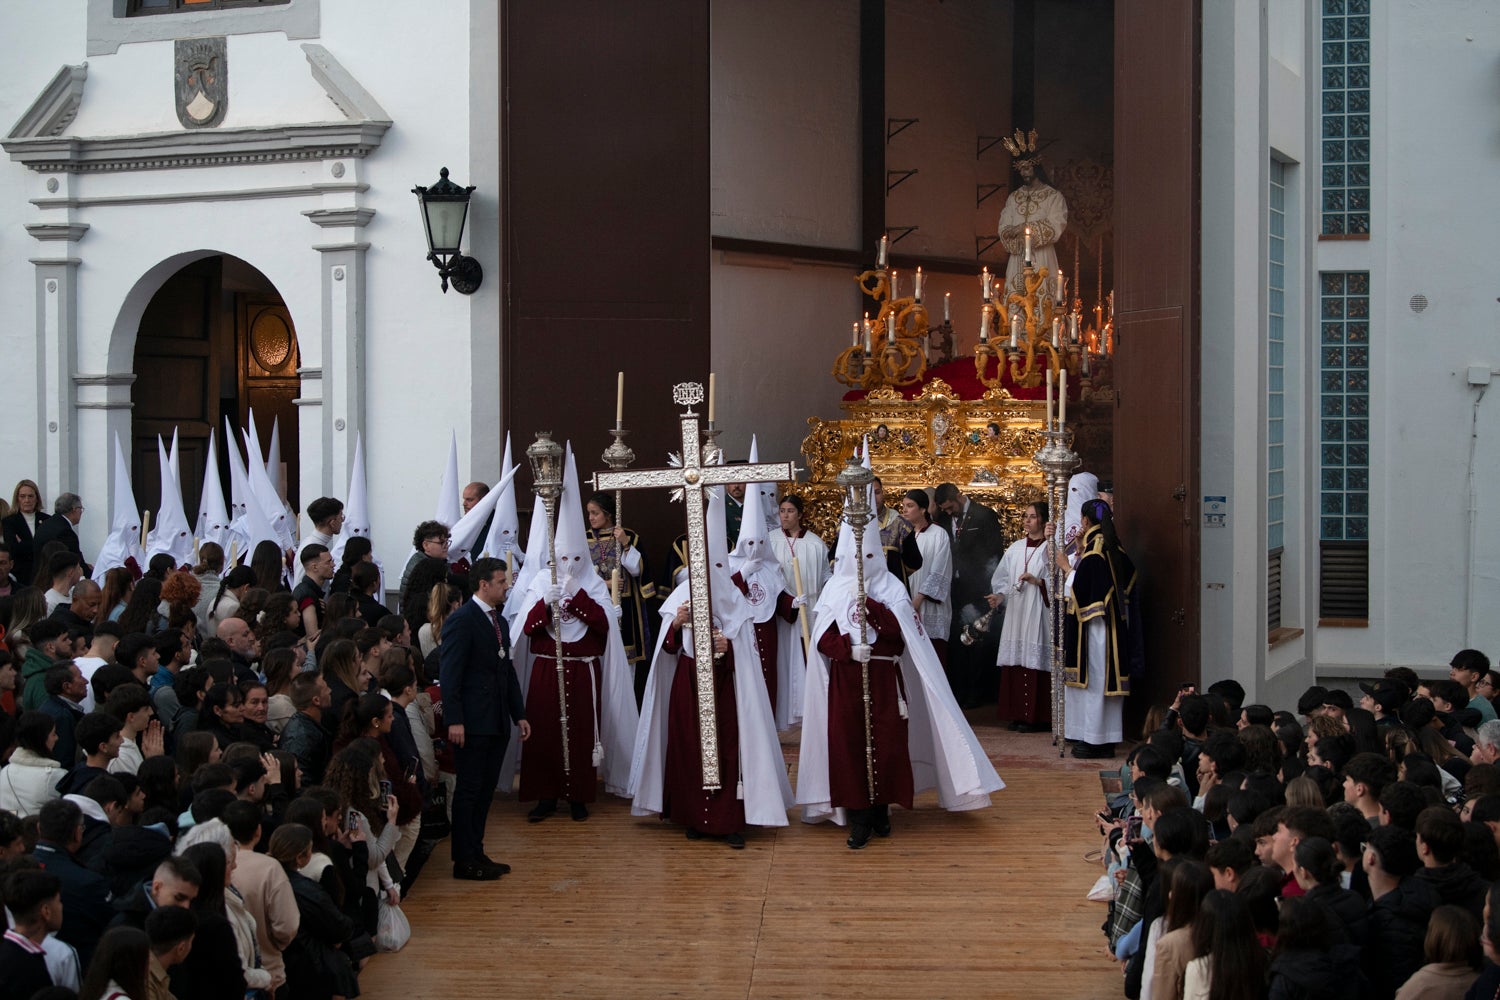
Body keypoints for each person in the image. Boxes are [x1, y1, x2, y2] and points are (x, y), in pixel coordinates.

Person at [797, 516, 1003, 849]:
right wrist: (847, 649)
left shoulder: (892, 587)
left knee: (887, 745)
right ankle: (859, 815)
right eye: (854, 558)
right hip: (846, 680)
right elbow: (821, 638)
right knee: (849, 744)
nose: (860, 565)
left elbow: (901, 636)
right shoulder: (834, 588)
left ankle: (881, 810)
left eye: (867, 558)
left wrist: (873, 608)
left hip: (883, 678)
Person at [631, 486, 793, 849]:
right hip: (688, 685)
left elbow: (749, 656)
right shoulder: (682, 597)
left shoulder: (736, 600)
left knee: (726, 751)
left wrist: (728, 647)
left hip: (726, 690)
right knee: (689, 749)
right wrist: (676, 623)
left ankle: (726, 820)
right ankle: (694, 817)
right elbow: (667, 649)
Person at [513, 472, 636, 822]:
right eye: (563, 560)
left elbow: (602, 627)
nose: (568, 567)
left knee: (581, 733)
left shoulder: (593, 583)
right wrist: (544, 602)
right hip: (546, 668)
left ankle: (578, 795)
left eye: (575, 561)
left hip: (582, 669)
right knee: (544, 732)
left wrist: (577, 595)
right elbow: (527, 628)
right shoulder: (541, 581)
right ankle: (545, 796)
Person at [439, 557, 529, 879]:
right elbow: (450, 674)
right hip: (472, 723)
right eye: (502, 582)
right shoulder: (462, 621)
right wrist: (455, 719)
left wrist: (518, 713)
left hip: (495, 722)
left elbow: (506, 672)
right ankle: (464, 860)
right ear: (484, 585)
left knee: (485, 790)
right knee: (469, 791)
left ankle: (477, 852)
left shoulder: (499, 622)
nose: (507, 587)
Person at [1055, 497, 1137, 758]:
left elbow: (1087, 592)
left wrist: (1067, 567)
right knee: (1102, 685)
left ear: (1086, 520)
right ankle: (1102, 737)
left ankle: (1095, 741)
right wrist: (1079, 552)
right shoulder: (1109, 546)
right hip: (1111, 628)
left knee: (1095, 683)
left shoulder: (1095, 551)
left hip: (1097, 631)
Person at [933, 482, 1004, 708]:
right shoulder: (943, 520)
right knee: (956, 642)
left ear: (958, 496)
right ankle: (958, 690)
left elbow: (994, 554)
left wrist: (986, 589)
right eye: (943, 509)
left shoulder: (984, 515)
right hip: (953, 590)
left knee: (975, 640)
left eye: (949, 507)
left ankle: (977, 693)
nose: (948, 512)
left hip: (978, 588)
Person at [987, 499, 1052, 731]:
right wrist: (1000, 596)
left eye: (1032, 516)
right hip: (1017, 611)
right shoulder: (1015, 548)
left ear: (1043, 520)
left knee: (1035, 660)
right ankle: (1017, 714)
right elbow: (1003, 578)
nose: (1026, 520)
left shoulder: (1050, 549)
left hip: (1037, 610)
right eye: (1025, 515)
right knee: (1016, 659)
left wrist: (1038, 581)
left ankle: (1037, 717)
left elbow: (1060, 581)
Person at [585, 492, 656, 695]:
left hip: (625, 607)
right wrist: (606, 584)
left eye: (595, 513)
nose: (591, 518)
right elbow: (579, 575)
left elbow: (637, 570)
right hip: (596, 603)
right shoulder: (584, 539)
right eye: (589, 513)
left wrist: (625, 543)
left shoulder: (628, 536)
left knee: (625, 661)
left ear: (607, 514)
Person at [996, 130, 1068, 303]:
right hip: (1017, 258)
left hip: (1042, 257)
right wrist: (1013, 234)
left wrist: (1024, 230)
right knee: (1016, 302)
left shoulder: (1053, 196)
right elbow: (1003, 227)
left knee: (1042, 303)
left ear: (1036, 166)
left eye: (1027, 168)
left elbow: (1056, 225)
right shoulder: (1014, 197)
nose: (1024, 173)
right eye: (1020, 169)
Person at [900, 488, 952, 669]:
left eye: (910, 506)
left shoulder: (939, 534)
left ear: (923, 509)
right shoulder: (901, 534)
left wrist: (919, 598)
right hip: (904, 602)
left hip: (927, 605)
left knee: (931, 661)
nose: (905, 510)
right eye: (904, 506)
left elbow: (940, 571)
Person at [0, 869, 64, 999]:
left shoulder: (7, 951)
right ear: (46, 911)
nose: (61, 907)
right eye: (58, 901)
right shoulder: (28, 969)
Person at [766, 495, 829, 614]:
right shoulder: (770, 539)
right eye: (782, 511)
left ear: (799, 515)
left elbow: (825, 573)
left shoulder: (815, 543)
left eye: (790, 511)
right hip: (781, 607)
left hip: (809, 604)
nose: (785, 516)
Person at [871, 478, 921, 585]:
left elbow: (915, 562)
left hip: (893, 588)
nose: (873, 498)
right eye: (868, 493)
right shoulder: (852, 523)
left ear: (882, 492)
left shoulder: (898, 522)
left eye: (877, 492)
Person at [2, 480, 49, 588]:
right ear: (17, 499)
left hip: (44, 574)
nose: (27, 500)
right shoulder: (9, 521)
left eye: (30, 496)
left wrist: (23, 544)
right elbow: (12, 549)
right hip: (21, 576)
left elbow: (49, 548)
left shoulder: (46, 520)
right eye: (22, 496)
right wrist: (38, 544)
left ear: (37, 498)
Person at [33, 493, 91, 577]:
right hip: (53, 580)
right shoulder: (65, 532)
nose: (81, 512)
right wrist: (92, 577)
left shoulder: (47, 523)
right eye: (80, 509)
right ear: (74, 509)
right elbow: (75, 559)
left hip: (39, 577)